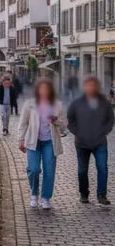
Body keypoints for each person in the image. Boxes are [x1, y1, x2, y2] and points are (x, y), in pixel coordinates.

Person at [18, 78, 67, 209]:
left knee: (49, 171)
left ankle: (46, 198)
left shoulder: (57, 105)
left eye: (47, 89)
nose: (44, 91)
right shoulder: (30, 104)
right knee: (33, 169)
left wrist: (55, 120)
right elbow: (23, 123)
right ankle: (34, 194)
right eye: (41, 89)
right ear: (38, 90)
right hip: (33, 141)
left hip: (50, 142)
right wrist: (21, 140)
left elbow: (63, 126)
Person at [67, 74, 114, 205]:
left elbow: (110, 119)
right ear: (84, 87)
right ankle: (84, 194)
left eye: (94, 85)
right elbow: (70, 120)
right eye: (89, 85)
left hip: (100, 142)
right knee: (82, 170)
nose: (91, 88)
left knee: (102, 168)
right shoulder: (77, 103)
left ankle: (102, 195)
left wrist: (104, 131)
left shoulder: (104, 103)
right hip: (82, 143)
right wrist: (77, 133)